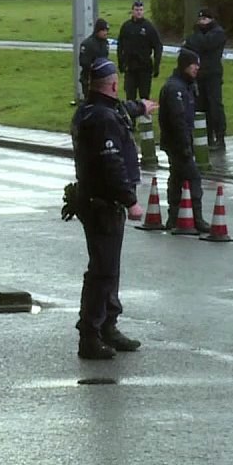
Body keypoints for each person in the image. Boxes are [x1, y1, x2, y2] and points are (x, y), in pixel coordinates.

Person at [71, 58, 157, 360]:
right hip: (103, 203)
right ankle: (90, 335)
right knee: (102, 270)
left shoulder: (94, 110)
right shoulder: (103, 119)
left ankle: (108, 324)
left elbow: (119, 110)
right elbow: (111, 163)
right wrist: (130, 200)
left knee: (109, 268)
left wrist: (140, 107)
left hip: (96, 201)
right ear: (114, 83)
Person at [157, 49, 210, 234]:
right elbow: (177, 120)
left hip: (179, 142)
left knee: (177, 178)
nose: (197, 68)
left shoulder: (186, 86)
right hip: (177, 143)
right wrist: (185, 145)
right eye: (193, 64)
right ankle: (196, 217)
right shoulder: (175, 89)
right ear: (185, 65)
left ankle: (174, 217)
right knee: (193, 177)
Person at [183, 7, 228, 149]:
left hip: (213, 74)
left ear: (211, 19)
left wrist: (195, 37)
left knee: (215, 106)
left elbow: (203, 44)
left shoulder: (218, 33)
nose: (202, 22)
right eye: (200, 19)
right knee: (201, 106)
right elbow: (189, 46)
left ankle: (220, 137)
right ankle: (206, 137)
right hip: (199, 74)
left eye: (205, 19)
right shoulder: (199, 33)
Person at [117, 0, 163, 101]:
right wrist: (121, 62)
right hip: (130, 68)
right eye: (136, 9)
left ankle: (145, 116)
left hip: (145, 68)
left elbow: (158, 46)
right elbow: (120, 46)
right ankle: (131, 116)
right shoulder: (126, 27)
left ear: (143, 11)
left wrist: (156, 65)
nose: (138, 12)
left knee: (144, 96)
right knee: (130, 96)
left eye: (141, 10)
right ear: (132, 11)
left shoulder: (149, 27)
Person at [77, 18, 111, 92]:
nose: (106, 33)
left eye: (107, 30)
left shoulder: (105, 43)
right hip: (90, 78)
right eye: (103, 30)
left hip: (103, 78)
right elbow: (83, 62)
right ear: (98, 31)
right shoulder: (87, 44)